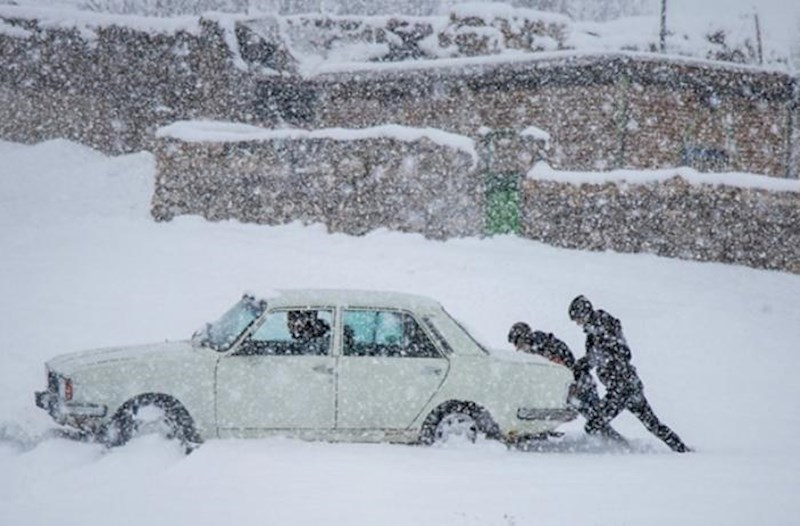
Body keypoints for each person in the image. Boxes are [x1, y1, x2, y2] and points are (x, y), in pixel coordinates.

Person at [568, 295, 691, 453]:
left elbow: (622, 353)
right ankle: (681, 450)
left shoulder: (603, 326)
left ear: (584, 313)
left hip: (621, 388)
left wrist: (589, 361)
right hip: (628, 386)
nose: (577, 323)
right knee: (652, 425)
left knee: (595, 423)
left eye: (577, 318)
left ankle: (618, 450)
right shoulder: (595, 332)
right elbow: (597, 357)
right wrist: (582, 366)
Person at [507, 322, 626, 443]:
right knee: (596, 419)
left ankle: (617, 444)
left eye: (517, 343)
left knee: (596, 419)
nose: (517, 348)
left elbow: (563, 367)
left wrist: (573, 385)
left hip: (579, 386)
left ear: (523, 337)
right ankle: (615, 442)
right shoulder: (543, 344)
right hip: (578, 385)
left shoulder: (542, 348)